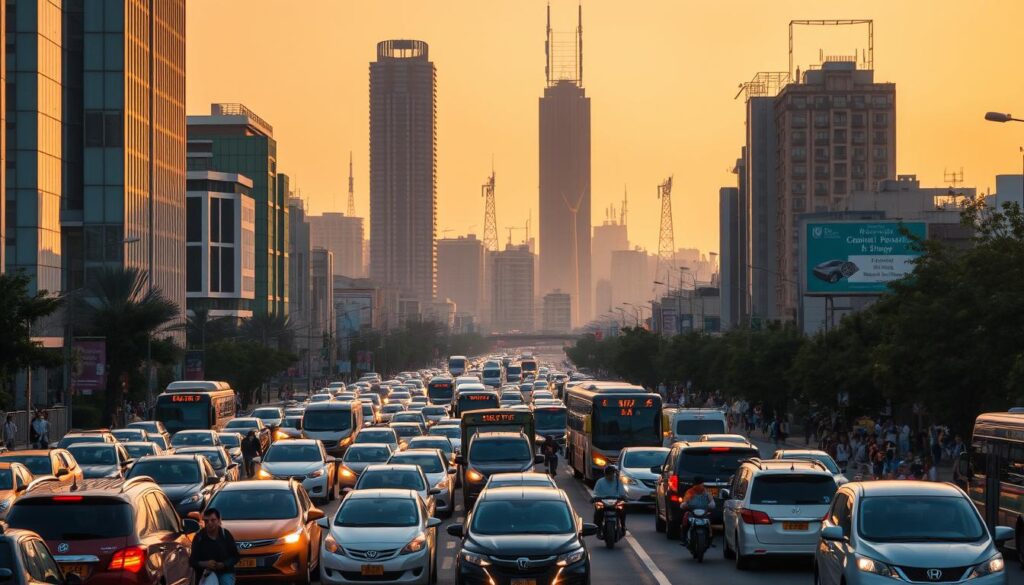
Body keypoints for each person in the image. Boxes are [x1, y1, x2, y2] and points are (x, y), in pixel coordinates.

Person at [190, 508, 239, 585]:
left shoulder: (226, 535)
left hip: (225, 572)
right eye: (206, 521)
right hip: (206, 573)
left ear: (219, 521)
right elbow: (192, 561)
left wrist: (224, 564)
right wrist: (205, 564)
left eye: (213, 520)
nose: (209, 523)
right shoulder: (199, 537)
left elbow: (235, 557)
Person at [679, 476, 716, 546]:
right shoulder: (690, 492)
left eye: (701, 484)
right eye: (698, 484)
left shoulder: (706, 492)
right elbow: (685, 501)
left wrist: (711, 505)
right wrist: (684, 505)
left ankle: (710, 539)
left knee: (709, 522)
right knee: (685, 517)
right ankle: (684, 538)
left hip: (704, 512)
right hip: (692, 512)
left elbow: (711, 501)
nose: (700, 486)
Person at [592, 465, 627, 535]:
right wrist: (595, 498)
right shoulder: (600, 482)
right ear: (605, 474)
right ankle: (598, 528)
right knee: (598, 512)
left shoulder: (618, 482)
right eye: (608, 474)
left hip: (616, 502)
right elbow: (595, 493)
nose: (610, 476)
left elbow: (622, 492)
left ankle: (623, 526)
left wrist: (623, 497)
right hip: (603, 502)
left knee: (623, 511)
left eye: (611, 474)